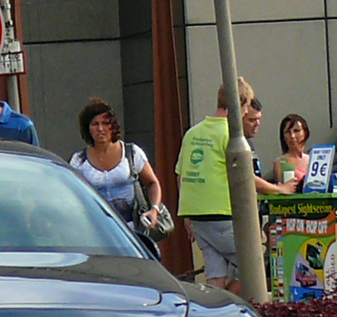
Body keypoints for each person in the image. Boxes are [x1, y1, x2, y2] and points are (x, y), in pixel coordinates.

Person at [176, 78, 292, 294]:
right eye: (246, 105)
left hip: (196, 215)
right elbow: (246, 177)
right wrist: (280, 189)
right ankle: (229, 304)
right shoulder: (231, 136)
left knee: (215, 272)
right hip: (223, 213)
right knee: (252, 263)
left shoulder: (193, 133)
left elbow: (181, 174)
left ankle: (215, 312)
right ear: (240, 104)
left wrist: (187, 215)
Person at [68, 98, 163, 231]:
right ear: (88, 129)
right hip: (96, 230)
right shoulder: (79, 160)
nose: (100, 129)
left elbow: (152, 183)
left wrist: (154, 210)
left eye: (105, 123)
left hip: (132, 230)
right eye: (95, 124)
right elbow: (71, 195)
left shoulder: (132, 153)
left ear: (113, 126)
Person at [269, 113, 312, 192]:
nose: (292, 136)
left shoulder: (313, 159)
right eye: (288, 132)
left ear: (305, 132)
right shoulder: (281, 162)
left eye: (296, 131)